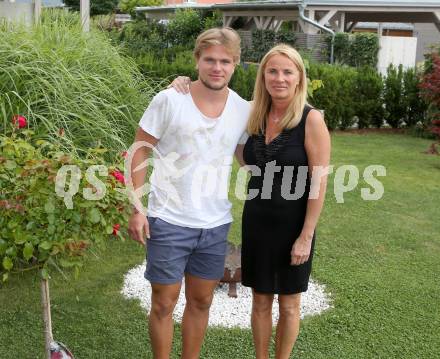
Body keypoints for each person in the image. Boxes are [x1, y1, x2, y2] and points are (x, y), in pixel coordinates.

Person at [170, 43, 330, 359]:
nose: (279, 78)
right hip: (257, 220)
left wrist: (305, 236)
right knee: (260, 299)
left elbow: (319, 183)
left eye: (287, 71)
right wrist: (183, 83)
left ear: (299, 77)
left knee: (289, 303)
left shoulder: (311, 120)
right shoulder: (252, 114)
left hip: (294, 225)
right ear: (263, 75)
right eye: (272, 71)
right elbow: (218, 112)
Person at [127, 28, 250, 359]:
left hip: (214, 224)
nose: (217, 67)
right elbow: (139, 150)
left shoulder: (243, 109)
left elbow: (244, 156)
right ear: (197, 59)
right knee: (164, 303)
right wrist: (137, 208)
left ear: (235, 64)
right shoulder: (170, 100)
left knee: (202, 301)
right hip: (168, 220)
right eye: (210, 59)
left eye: (225, 61)